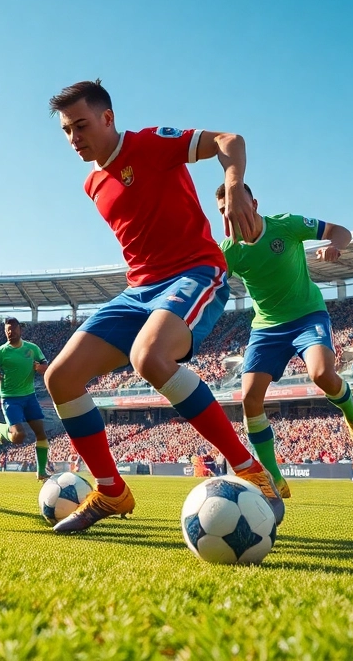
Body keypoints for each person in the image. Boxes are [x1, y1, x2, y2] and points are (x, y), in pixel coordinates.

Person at [43, 79, 283, 534]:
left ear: (108, 118)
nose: (75, 139)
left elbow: (229, 141)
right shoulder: (92, 184)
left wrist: (232, 187)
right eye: (66, 131)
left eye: (81, 125)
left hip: (194, 272)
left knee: (149, 357)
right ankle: (112, 491)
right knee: (60, 377)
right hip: (138, 291)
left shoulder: (152, 143)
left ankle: (250, 470)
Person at [214, 183, 353, 499]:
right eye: (223, 211)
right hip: (266, 328)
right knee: (249, 399)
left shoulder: (286, 225)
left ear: (254, 203)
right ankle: (275, 478)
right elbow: (212, 282)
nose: (231, 214)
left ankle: (352, 415)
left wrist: (334, 246)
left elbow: (340, 231)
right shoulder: (229, 250)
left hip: (307, 315)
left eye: (234, 205)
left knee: (321, 375)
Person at [0, 317, 52, 480]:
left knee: (41, 433)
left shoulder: (32, 348)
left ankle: (41, 472)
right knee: (18, 437)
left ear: (20, 330)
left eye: (13, 329)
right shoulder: (0, 352)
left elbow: (45, 365)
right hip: (10, 399)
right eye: (7, 330)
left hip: (29, 397)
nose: (10, 332)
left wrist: (40, 367)